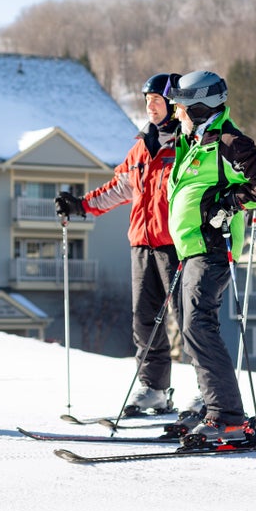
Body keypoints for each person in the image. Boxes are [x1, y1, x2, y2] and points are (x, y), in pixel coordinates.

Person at [165, 70, 256, 443]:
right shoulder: (194, 143)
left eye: (181, 107)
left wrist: (233, 200)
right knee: (192, 329)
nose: (176, 114)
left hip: (211, 249)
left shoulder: (230, 143)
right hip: (191, 249)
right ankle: (210, 406)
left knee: (198, 327)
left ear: (200, 107)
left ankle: (228, 418)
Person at [54, 73, 182, 416]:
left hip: (177, 245)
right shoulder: (141, 147)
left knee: (190, 321)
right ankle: (155, 390)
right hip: (142, 243)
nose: (150, 107)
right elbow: (120, 188)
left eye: (156, 100)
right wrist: (80, 205)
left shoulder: (186, 145)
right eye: (146, 101)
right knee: (144, 319)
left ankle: (207, 393)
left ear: (173, 104)